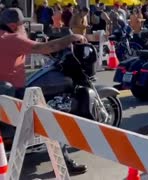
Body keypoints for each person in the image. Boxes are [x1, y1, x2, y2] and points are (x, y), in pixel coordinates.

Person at [0, 8, 88, 175]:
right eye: (22, 25)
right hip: (13, 98)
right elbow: (47, 47)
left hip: (4, 96)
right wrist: (71, 37)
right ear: (12, 25)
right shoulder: (12, 38)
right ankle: (64, 163)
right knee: (54, 116)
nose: (24, 29)